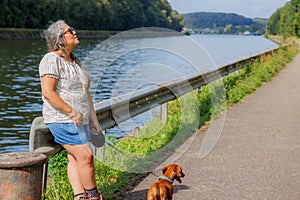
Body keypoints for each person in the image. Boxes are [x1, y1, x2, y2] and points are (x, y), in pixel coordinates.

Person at [39, 20, 103, 200]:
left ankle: (80, 196)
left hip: (79, 119)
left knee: (75, 159)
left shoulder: (75, 61)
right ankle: (94, 196)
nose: (74, 32)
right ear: (60, 39)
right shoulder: (51, 60)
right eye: (70, 31)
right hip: (63, 119)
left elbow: (86, 93)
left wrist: (94, 119)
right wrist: (71, 112)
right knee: (86, 157)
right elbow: (48, 92)